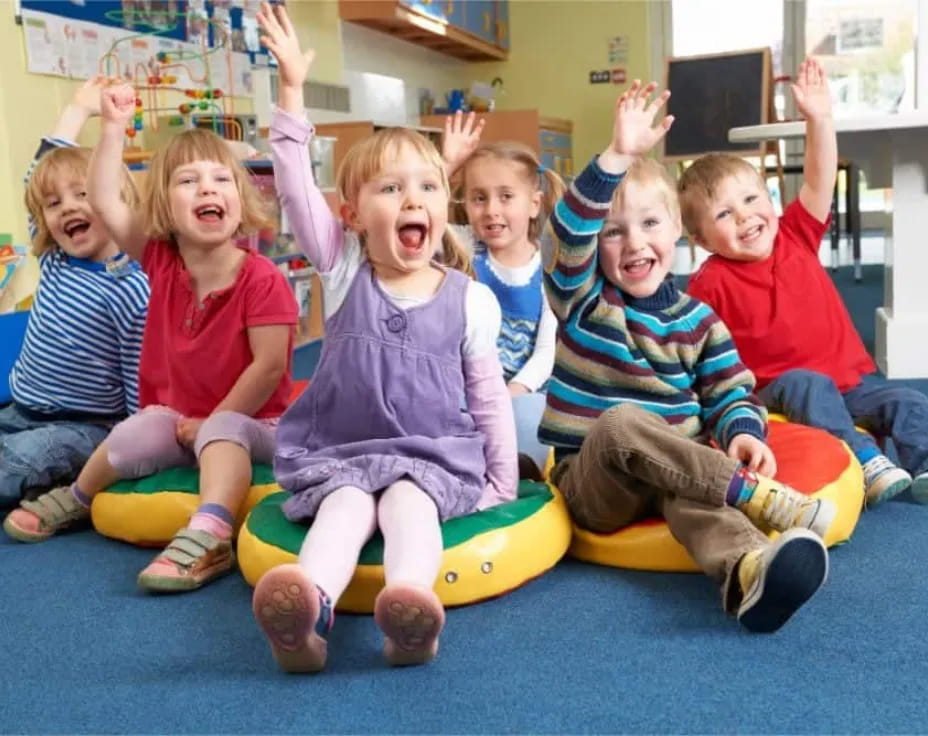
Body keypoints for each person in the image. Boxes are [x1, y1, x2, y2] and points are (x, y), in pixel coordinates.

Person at [252, 2, 517, 671]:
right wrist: (289, 93)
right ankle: (305, 615)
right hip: (344, 449)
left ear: (443, 207)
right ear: (350, 216)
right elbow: (293, 190)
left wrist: (501, 482)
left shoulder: (471, 300)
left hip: (427, 456)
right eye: (390, 188)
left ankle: (409, 611)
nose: (412, 199)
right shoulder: (341, 269)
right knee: (342, 509)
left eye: (428, 186)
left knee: (409, 508)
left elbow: (487, 398)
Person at [541, 80, 833, 633]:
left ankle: (748, 574)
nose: (634, 244)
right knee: (623, 422)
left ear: (679, 231)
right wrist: (616, 157)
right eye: (613, 233)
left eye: (651, 225)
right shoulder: (583, 303)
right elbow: (568, 232)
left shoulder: (700, 320)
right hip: (596, 483)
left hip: (678, 471)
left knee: (695, 498)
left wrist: (744, 431)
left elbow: (728, 391)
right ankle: (755, 496)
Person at [3, 81, 297, 595]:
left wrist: (213, 419)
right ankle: (79, 494)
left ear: (239, 196)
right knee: (135, 430)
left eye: (220, 179)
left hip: (253, 423)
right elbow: (102, 199)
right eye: (189, 181)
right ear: (162, 205)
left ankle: (209, 532)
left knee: (223, 430)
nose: (207, 189)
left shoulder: (262, 279)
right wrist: (111, 126)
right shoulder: (160, 262)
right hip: (180, 421)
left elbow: (269, 367)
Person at [681, 57, 927, 506]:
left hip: (853, 384)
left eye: (752, 199)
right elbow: (690, 345)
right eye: (723, 214)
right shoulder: (709, 281)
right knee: (806, 385)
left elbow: (818, 178)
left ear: (769, 200)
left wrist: (820, 119)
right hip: (781, 394)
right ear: (699, 239)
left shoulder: (795, 233)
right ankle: (865, 461)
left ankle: (924, 464)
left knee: (909, 401)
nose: (745, 217)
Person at [0, 76, 149, 508]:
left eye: (83, 194)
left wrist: (136, 449)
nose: (66, 207)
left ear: (113, 200)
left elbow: (140, 381)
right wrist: (77, 111)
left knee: (18, 463)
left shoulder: (130, 287)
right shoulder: (53, 257)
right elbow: (37, 177)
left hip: (85, 426)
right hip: (19, 409)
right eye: (54, 204)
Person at [442, 111, 564, 477]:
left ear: (533, 204)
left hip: (521, 393)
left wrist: (509, 393)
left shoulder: (550, 267)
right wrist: (447, 165)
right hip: (465, 389)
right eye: (478, 198)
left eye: (506, 196)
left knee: (533, 420)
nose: (491, 210)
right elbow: (422, 209)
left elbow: (545, 352)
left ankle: (515, 469)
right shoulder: (462, 249)